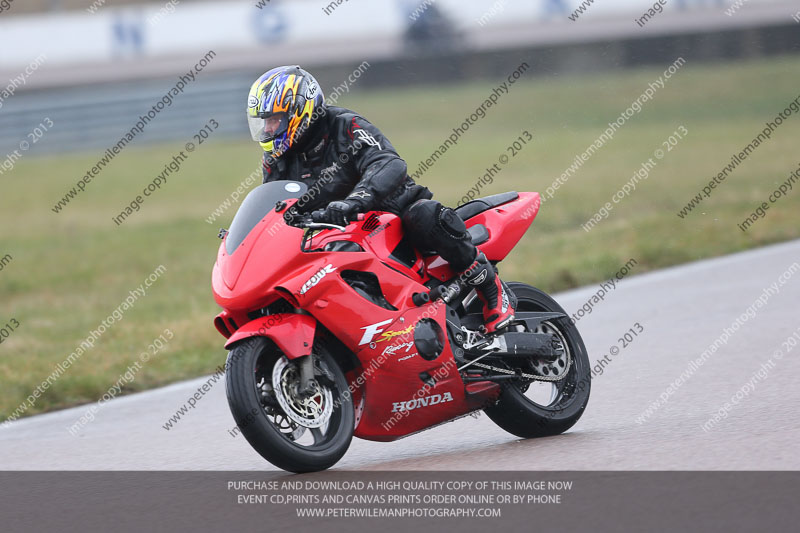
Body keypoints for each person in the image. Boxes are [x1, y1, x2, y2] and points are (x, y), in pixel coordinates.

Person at [247, 65, 515, 333]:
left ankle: (489, 288)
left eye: (275, 120)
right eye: (265, 122)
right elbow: (276, 204)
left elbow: (388, 163)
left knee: (425, 216)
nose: (269, 129)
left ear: (299, 111)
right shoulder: (277, 158)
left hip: (390, 213)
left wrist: (356, 200)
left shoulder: (346, 126)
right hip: (336, 232)